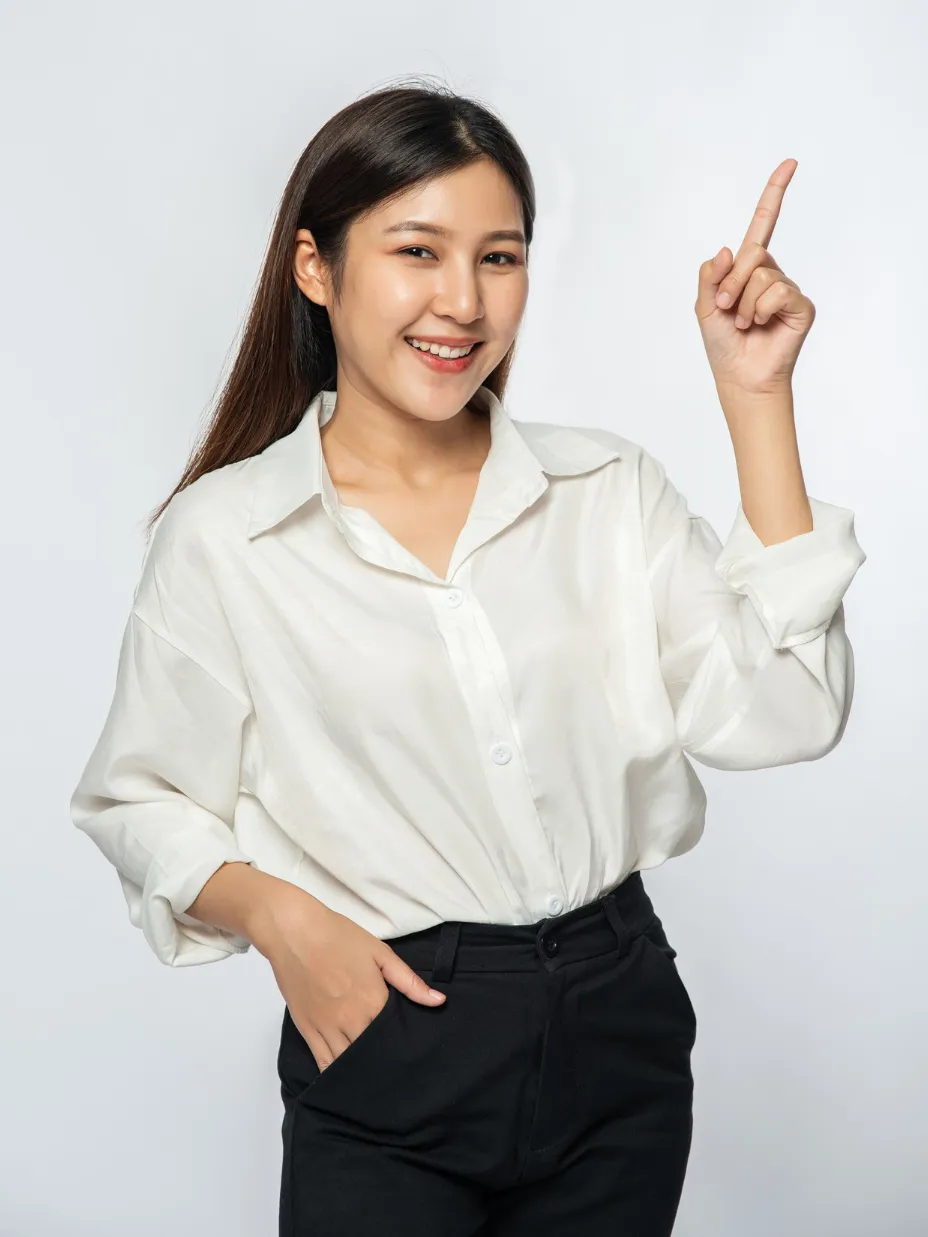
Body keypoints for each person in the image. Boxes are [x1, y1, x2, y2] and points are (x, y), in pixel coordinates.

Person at [69, 79, 867, 1236]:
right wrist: (285, 922)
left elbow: (788, 710)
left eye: (499, 256)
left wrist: (757, 400)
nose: (461, 300)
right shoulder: (227, 538)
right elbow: (138, 795)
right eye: (416, 250)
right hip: (390, 1031)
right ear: (315, 267)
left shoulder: (603, 492)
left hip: (618, 1030)